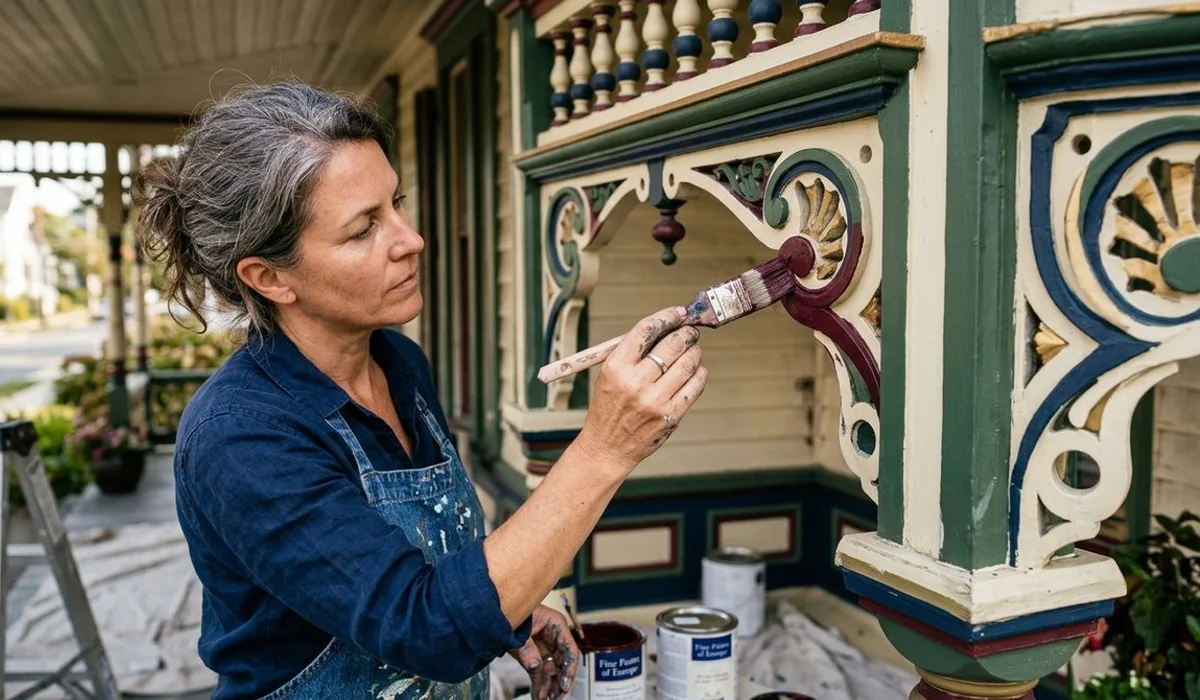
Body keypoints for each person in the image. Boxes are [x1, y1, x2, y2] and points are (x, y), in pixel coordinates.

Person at [134, 81, 708, 700]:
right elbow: (423, 627)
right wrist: (604, 449)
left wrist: (508, 614)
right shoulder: (241, 434)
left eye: (397, 204)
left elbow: (417, 559)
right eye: (363, 229)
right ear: (269, 277)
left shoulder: (399, 362)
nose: (411, 240)